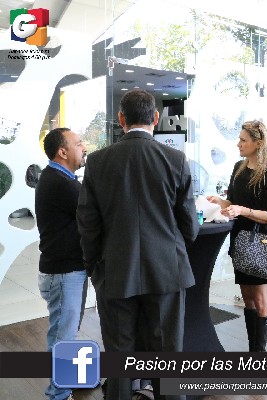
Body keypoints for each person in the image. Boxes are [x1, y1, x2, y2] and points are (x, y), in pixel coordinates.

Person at [77, 89, 199, 400]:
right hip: (167, 272)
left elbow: (88, 224)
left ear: (121, 119)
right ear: (156, 118)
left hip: (115, 271)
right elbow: (189, 224)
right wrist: (171, 251)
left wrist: (95, 267)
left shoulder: (97, 161)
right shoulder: (175, 159)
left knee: (119, 358)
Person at [207, 120, 267, 352]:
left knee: (259, 300)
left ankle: (259, 353)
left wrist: (242, 210)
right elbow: (234, 202)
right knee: (248, 299)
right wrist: (221, 202)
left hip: (260, 243)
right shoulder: (238, 168)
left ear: (258, 143)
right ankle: (253, 350)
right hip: (240, 241)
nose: (238, 144)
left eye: (243, 140)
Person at [35, 128, 88, 400]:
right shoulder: (62, 183)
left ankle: (68, 381)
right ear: (62, 152)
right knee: (63, 337)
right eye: (78, 144)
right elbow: (97, 208)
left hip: (65, 271)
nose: (84, 147)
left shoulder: (57, 178)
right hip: (63, 274)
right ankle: (58, 394)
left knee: (65, 333)